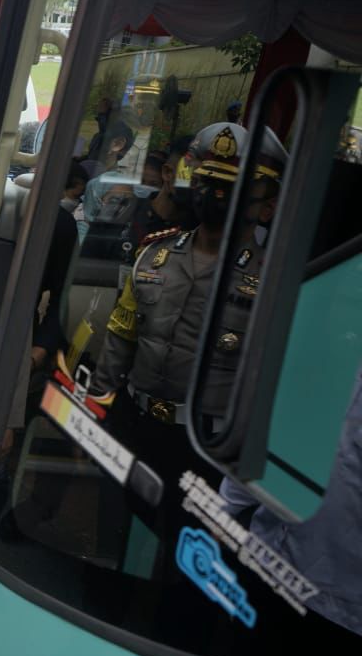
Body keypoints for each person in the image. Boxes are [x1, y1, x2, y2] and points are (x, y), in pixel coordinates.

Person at [92, 123, 286, 441]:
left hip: (208, 444)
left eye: (231, 188)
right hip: (133, 426)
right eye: (206, 182)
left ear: (267, 208)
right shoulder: (154, 254)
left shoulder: (274, 281)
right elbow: (119, 342)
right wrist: (93, 415)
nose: (215, 194)